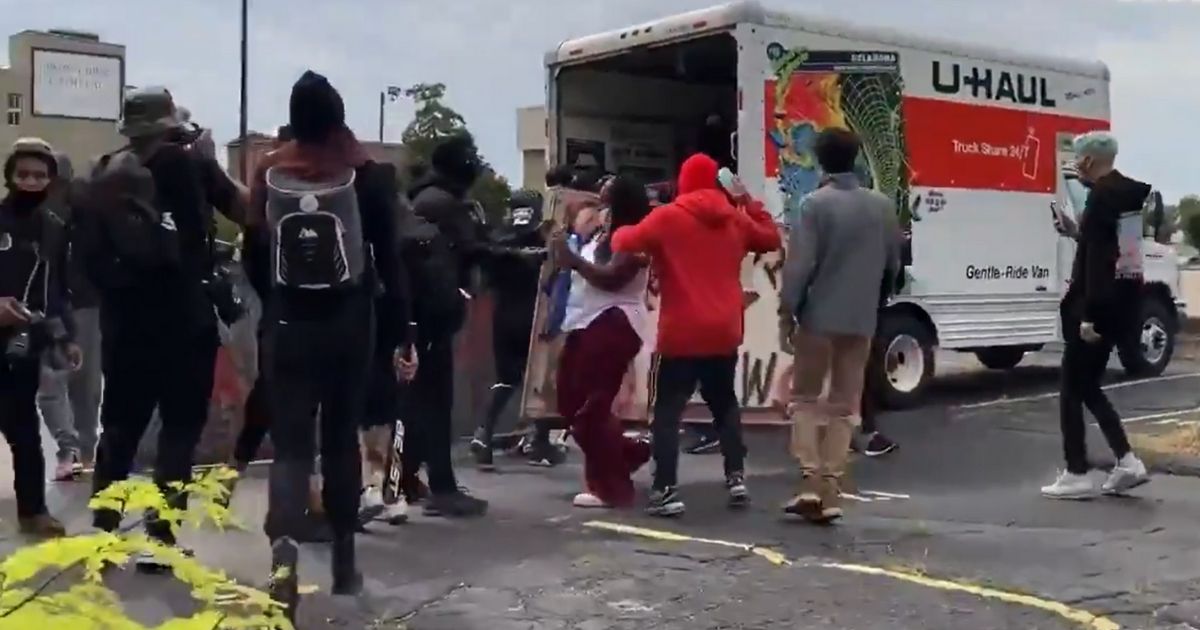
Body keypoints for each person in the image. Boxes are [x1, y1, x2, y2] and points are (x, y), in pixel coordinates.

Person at [246, 71, 415, 608]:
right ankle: (344, 563)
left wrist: (277, 304)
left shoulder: (269, 171)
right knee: (340, 439)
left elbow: (253, 253)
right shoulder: (367, 173)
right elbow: (390, 263)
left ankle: (283, 560)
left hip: (287, 324)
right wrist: (401, 333)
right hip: (349, 323)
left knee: (291, 447)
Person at [76, 88, 246, 565]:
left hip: (124, 321)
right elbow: (246, 210)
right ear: (171, 124)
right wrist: (210, 161)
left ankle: (104, 533)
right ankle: (159, 538)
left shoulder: (104, 172)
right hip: (184, 319)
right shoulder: (189, 164)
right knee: (179, 429)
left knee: (120, 427)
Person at [612, 153, 781, 517]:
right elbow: (770, 238)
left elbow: (624, 242)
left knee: (668, 411)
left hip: (681, 332)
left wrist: (619, 220)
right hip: (724, 328)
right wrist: (747, 200)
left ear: (683, 181)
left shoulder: (668, 218)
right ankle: (736, 478)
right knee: (724, 404)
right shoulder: (735, 218)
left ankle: (665, 490)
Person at [779, 127, 901, 523]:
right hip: (861, 317)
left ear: (820, 160)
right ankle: (832, 489)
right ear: (856, 158)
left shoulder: (814, 205)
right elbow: (893, 265)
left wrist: (787, 311)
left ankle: (809, 480)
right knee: (845, 404)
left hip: (819, 316)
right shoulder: (881, 206)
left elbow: (800, 267)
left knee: (805, 398)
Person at [1041, 130, 1149, 500]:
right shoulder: (1127, 199)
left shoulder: (1101, 199)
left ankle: (1077, 472)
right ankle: (1126, 461)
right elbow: (1119, 253)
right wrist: (1078, 233)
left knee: (1071, 389)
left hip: (1094, 309)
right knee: (1087, 385)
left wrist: (1088, 315)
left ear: (1088, 160)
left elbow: (1100, 262)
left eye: (1078, 158)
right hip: (1120, 305)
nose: (1076, 165)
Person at [552, 175, 653, 508]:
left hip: (613, 322)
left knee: (592, 409)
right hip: (584, 321)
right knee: (569, 400)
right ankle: (626, 453)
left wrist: (574, 261)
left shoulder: (634, 237)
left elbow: (613, 279)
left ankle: (609, 486)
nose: (601, 210)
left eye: (606, 202)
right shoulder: (601, 236)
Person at [405, 133, 489, 517]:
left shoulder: (426, 198)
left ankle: (407, 482)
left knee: (417, 403)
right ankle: (441, 487)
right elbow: (474, 250)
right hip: (431, 316)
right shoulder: (443, 204)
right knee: (434, 404)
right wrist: (516, 256)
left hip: (419, 314)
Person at [0, 138, 76, 537]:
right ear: (9, 177)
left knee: (24, 431)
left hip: (24, 343)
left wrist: (66, 337)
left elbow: (58, 288)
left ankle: (33, 511)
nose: (31, 182)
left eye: (39, 175)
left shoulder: (54, 229)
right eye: (23, 174)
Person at [37, 151, 103, 481]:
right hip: (49, 307)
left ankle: (83, 451)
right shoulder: (34, 216)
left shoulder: (84, 216)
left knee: (83, 386)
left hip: (83, 305)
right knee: (53, 383)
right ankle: (71, 449)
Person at [470, 188, 547, 470]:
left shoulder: (499, 240)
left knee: (506, 379)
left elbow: (486, 277)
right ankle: (539, 442)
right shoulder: (541, 240)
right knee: (539, 380)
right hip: (534, 315)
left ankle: (484, 432)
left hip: (503, 316)